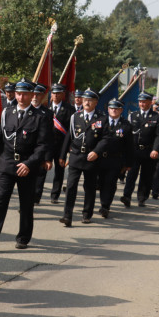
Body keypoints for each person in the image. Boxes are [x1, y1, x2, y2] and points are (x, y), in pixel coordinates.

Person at [0, 80, 49, 251]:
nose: (21, 97)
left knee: (26, 204)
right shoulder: (6, 113)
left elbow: (42, 146)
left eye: (25, 94)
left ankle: (23, 237)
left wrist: (30, 164)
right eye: (18, 93)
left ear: (32, 95)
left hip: (27, 165)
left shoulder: (40, 117)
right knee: (0, 202)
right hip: (6, 163)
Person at [58, 89, 108, 227]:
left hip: (91, 157)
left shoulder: (102, 118)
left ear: (96, 102)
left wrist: (97, 152)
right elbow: (69, 136)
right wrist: (62, 155)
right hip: (76, 155)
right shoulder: (76, 116)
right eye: (85, 100)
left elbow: (105, 138)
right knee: (71, 186)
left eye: (90, 100)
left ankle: (87, 213)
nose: (87, 102)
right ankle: (67, 215)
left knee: (89, 187)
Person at [121, 92, 159, 208]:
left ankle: (142, 198)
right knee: (131, 174)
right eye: (140, 102)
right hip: (134, 150)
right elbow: (128, 134)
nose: (142, 104)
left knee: (146, 176)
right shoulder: (133, 115)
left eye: (144, 102)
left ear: (150, 102)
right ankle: (126, 196)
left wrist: (156, 149)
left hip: (148, 151)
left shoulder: (156, 117)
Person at [97, 99, 133, 219]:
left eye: (116, 108)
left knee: (110, 183)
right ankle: (103, 202)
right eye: (111, 108)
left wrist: (128, 163)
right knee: (101, 182)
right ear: (108, 109)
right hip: (101, 159)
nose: (114, 110)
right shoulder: (101, 122)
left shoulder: (126, 125)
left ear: (121, 110)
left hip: (115, 159)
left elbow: (129, 146)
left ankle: (105, 206)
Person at [46, 83, 75, 203]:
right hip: (47, 145)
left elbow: (70, 131)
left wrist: (68, 147)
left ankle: (55, 195)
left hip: (61, 145)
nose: (56, 95)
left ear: (63, 94)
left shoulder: (69, 109)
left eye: (58, 93)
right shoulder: (46, 108)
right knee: (42, 170)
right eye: (53, 93)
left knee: (59, 171)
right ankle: (36, 194)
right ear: (50, 94)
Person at [30, 84, 54, 205]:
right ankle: (27, 201)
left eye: (38, 94)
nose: (35, 97)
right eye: (33, 94)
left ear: (42, 96)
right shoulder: (23, 109)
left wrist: (48, 158)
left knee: (39, 178)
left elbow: (49, 138)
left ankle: (35, 199)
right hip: (26, 152)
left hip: (41, 152)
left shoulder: (48, 113)